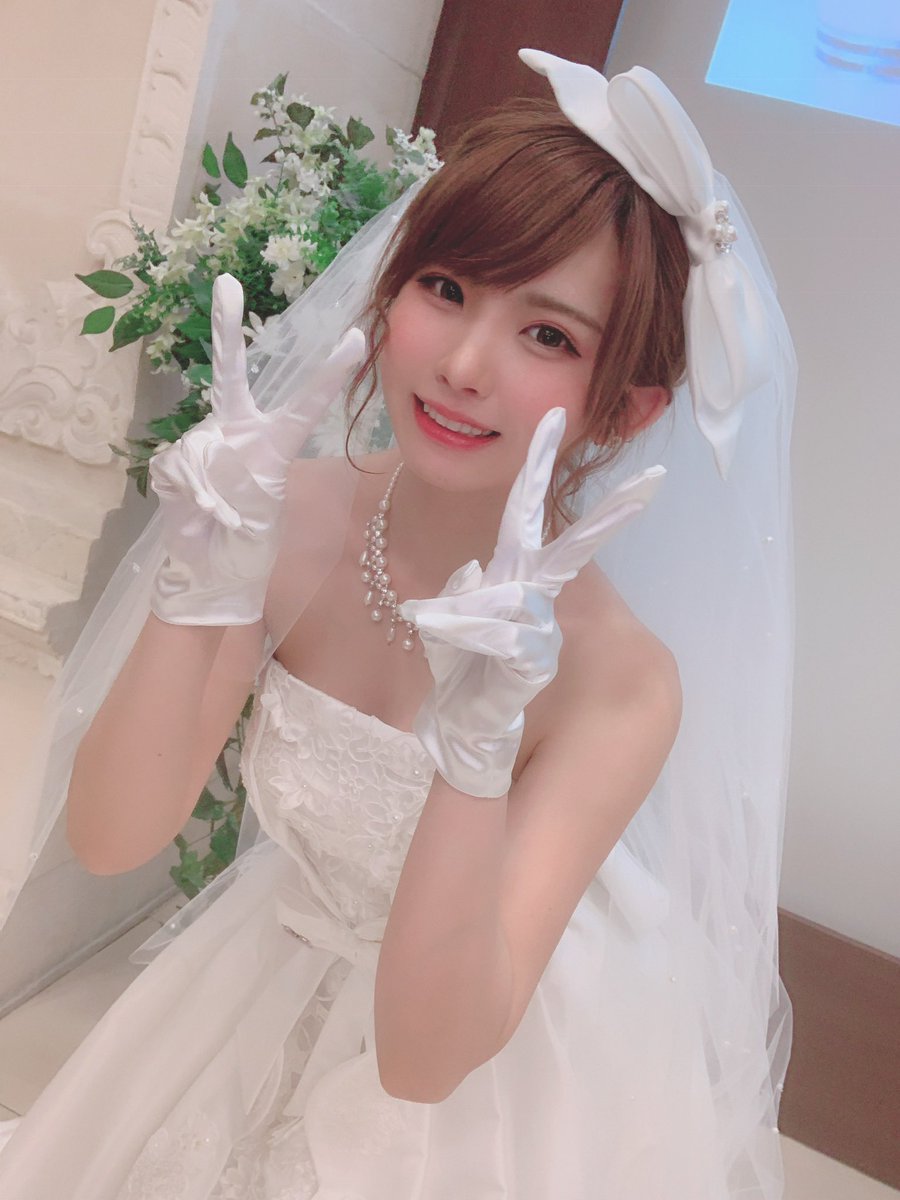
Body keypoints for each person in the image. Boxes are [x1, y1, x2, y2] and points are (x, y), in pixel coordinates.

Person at [0, 49, 796, 1198]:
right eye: (446, 289)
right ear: (388, 291)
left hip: (478, 1050)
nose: (464, 365)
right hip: (269, 973)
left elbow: (426, 1064)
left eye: (549, 337)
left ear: (625, 413)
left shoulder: (618, 682)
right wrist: (197, 590)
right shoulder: (290, 523)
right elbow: (114, 837)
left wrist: (475, 758)